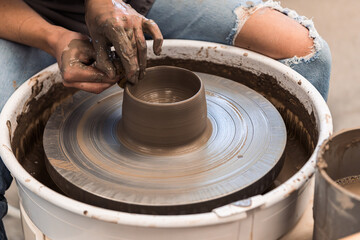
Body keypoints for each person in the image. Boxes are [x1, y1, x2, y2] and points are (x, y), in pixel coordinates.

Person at [0, 0, 331, 238]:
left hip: (130, 4)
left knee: (304, 52)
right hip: (23, 15)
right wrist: (53, 37)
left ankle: (276, 204)